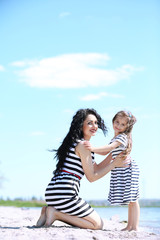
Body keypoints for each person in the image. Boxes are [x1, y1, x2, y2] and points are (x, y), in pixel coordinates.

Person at [36, 108, 129, 230]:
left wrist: (112, 156)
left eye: (96, 123)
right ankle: (55, 214)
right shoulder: (83, 146)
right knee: (97, 225)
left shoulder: (76, 143)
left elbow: (96, 168)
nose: (94, 126)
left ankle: (50, 210)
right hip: (65, 193)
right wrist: (113, 165)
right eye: (89, 123)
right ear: (81, 126)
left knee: (94, 222)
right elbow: (92, 177)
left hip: (53, 192)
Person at [84, 110, 140, 231]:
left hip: (128, 170)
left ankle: (134, 226)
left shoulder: (122, 137)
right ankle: (129, 226)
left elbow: (108, 148)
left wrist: (92, 148)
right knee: (130, 200)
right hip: (122, 170)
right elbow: (106, 153)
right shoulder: (115, 138)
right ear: (113, 121)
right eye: (117, 122)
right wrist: (94, 161)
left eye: (122, 124)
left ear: (126, 127)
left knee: (133, 199)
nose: (118, 125)